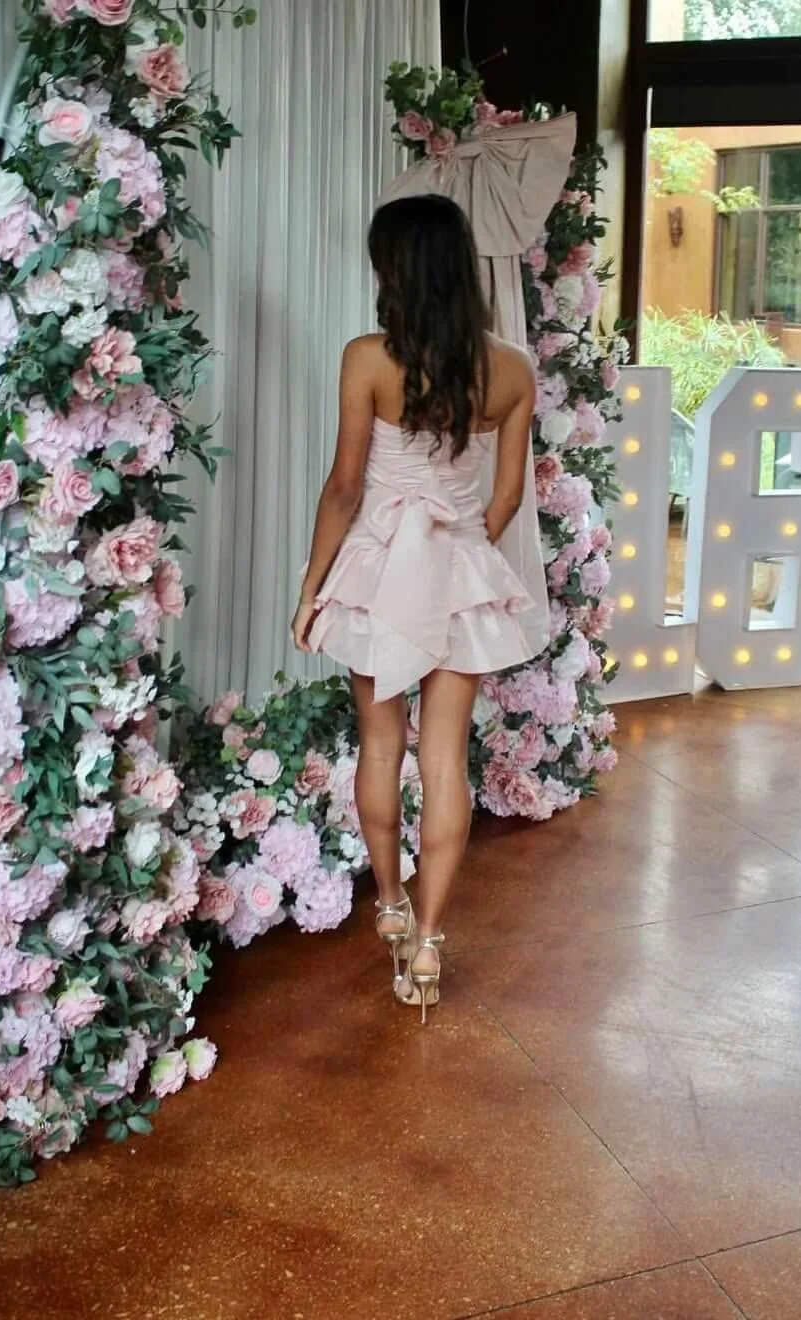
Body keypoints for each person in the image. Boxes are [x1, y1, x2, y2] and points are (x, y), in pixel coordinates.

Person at [291, 194, 548, 1023]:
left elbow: (345, 486)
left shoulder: (369, 357)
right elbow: (506, 498)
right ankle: (432, 944)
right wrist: (459, 550)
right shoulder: (510, 370)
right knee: (445, 764)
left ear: (394, 271)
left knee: (378, 746)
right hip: (457, 572)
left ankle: (392, 906)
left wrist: (313, 585)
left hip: (375, 575)